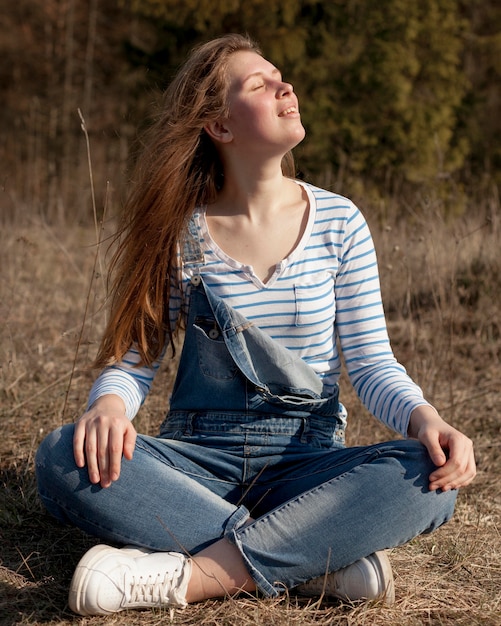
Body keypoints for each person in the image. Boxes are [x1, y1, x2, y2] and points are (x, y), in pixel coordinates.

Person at [35, 33, 476, 617]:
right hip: (196, 464)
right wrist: (110, 408)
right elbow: (136, 361)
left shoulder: (339, 222)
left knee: (425, 472)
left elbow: (371, 367)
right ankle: (318, 556)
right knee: (64, 454)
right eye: (259, 84)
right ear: (219, 126)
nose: (285, 87)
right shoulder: (181, 233)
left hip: (307, 464)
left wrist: (427, 418)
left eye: (281, 76)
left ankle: (192, 576)